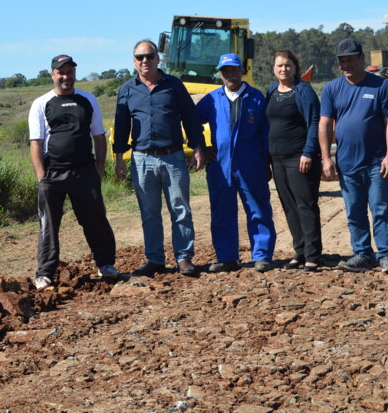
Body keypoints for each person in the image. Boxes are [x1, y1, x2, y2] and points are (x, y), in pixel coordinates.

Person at [113, 39, 205, 277]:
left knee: (180, 209)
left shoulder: (173, 85)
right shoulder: (127, 89)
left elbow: (190, 117)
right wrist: (119, 157)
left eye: (150, 56)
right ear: (134, 61)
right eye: (140, 57)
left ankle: (184, 258)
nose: (145, 61)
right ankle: (155, 259)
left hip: (173, 156)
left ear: (158, 58)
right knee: (149, 212)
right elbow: (121, 124)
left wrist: (196, 146)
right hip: (142, 159)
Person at [29, 54, 118, 289]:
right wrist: (42, 177)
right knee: (48, 225)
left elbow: (99, 137)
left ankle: (106, 264)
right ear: (52, 75)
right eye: (61, 72)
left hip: (84, 172)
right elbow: (36, 143)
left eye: (69, 72)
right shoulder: (41, 103)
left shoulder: (88, 100)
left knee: (96, 220)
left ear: (74, 74)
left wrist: (99, 168)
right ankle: (45, 273)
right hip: (53, 175)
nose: (66, 76)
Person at [319, 38, 388, 273]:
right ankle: (362, 254)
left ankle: (386, 254)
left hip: (376, 162)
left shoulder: (380, 86)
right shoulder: (332, 89)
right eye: (342, 61)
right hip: (347, 163)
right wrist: (326, 158)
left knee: (381, 209)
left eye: (351, 60)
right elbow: (325, 125)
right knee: (354, 211)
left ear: (362, 59)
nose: (346, 65)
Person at [196, 54, 277, 272]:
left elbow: (266, 132)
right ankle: (227, 257)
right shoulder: (212, 99)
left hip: (251, 165)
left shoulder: (256, 97)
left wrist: (267, 161)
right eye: (225, 71)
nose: (229, 74)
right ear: (220, 74)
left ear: (241, 71)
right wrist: (201, 147)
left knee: (258, 209)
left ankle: (262, 255)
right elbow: (192, 121)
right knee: (222, 212)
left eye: (233, 70)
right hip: (220, 166)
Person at [266, 50, 323, 272]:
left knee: (306, 205)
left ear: (295, 68)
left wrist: (308, 152)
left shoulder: (303, 90)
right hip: (276, 158)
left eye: (288, 65)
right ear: (274, 68)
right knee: (289, 207)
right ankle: (299, 250)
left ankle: (312, 254)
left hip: (299, 157)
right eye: (279, 65)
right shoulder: (271, 91)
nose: (283, 69)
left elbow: (314, 121)